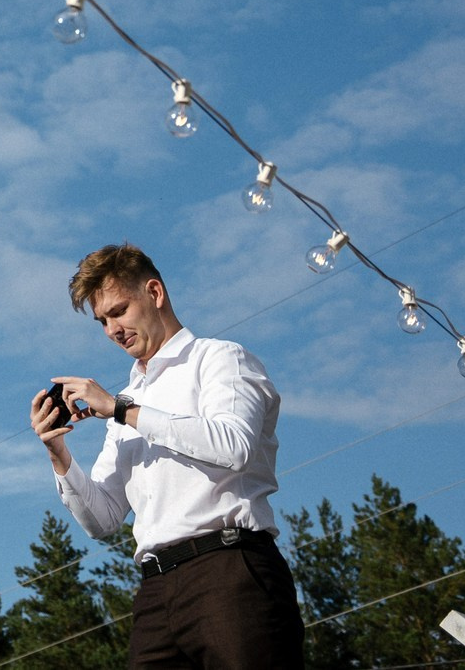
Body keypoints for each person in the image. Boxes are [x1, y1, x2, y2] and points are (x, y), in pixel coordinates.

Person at [30, 242, 303, 670]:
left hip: (230, 571)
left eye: (119, 311)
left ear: (154, 293)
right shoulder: (127, 400)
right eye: (102, 321)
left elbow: (233, 446)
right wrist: (58, 453)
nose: (112, 330)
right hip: (155, 592)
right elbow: (102, 520)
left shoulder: (219, 359)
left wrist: (122, 411)